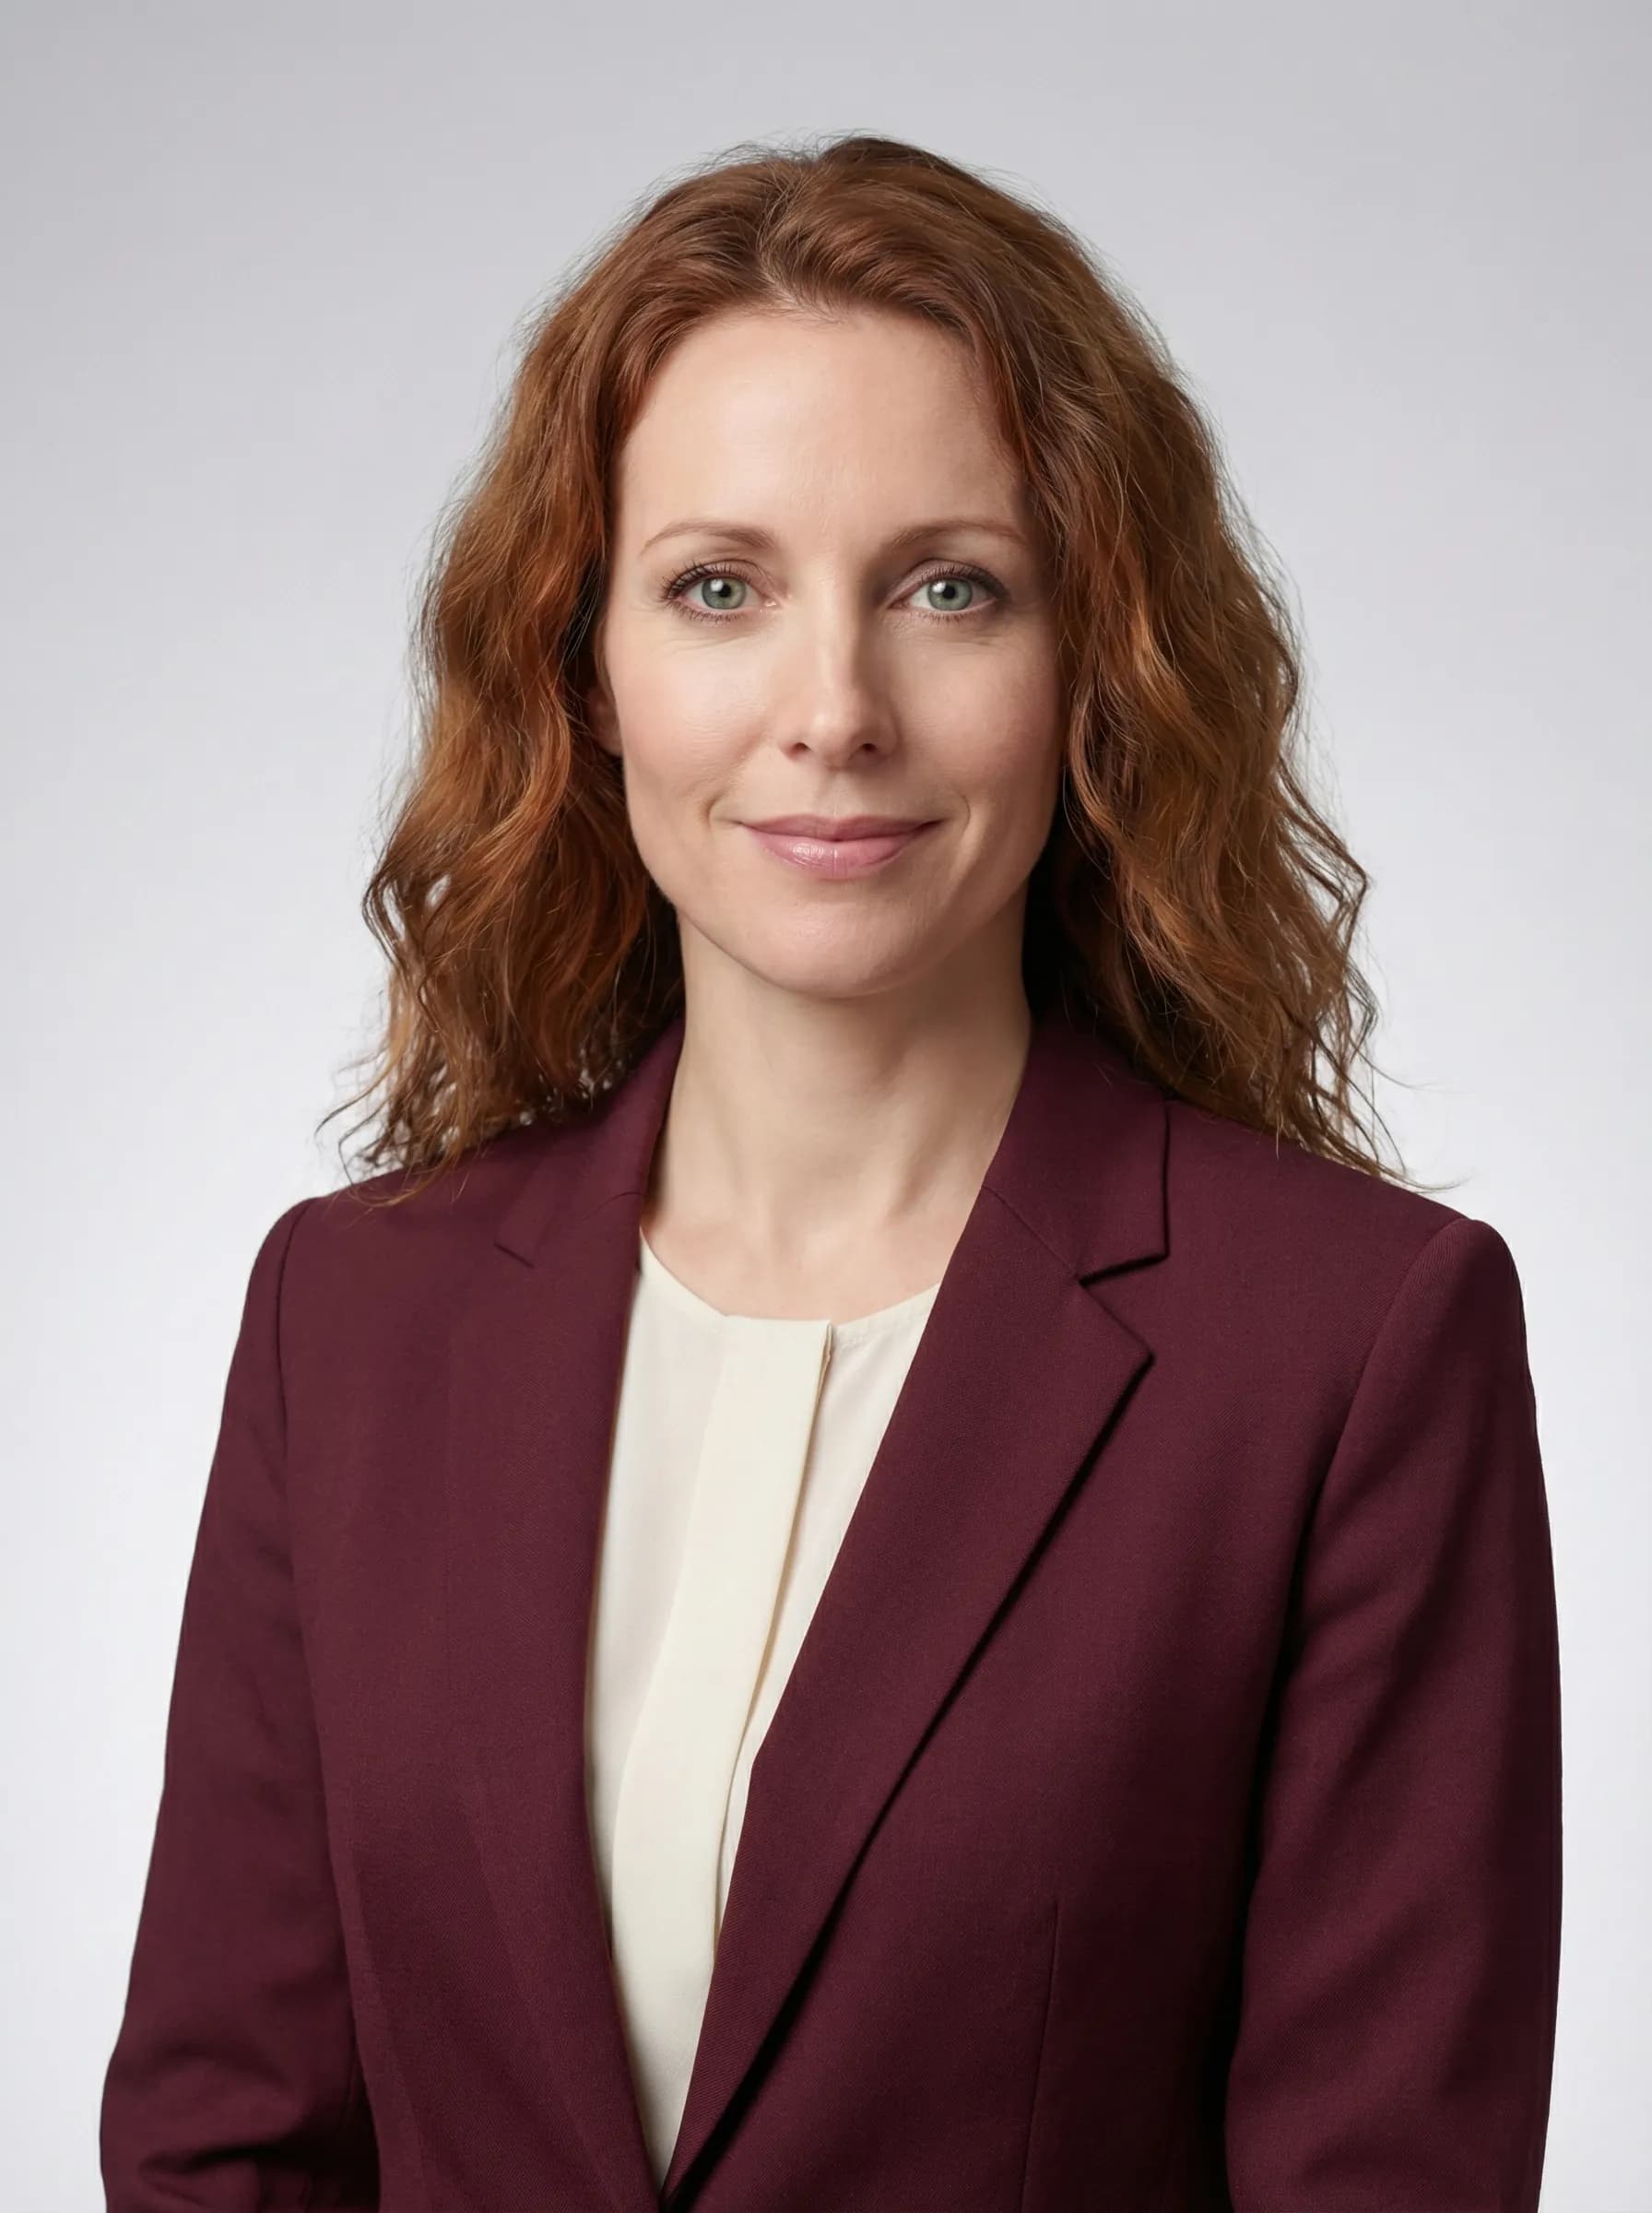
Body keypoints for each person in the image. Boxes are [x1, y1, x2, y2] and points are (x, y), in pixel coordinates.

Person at [100, 132, 1562, 2212]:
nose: (831, 711)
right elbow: (224, 2146)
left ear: (1092, 673)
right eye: (719, 588)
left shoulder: (1343, 1352)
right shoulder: (351, 1320)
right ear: (584, 668)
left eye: (945, 588)